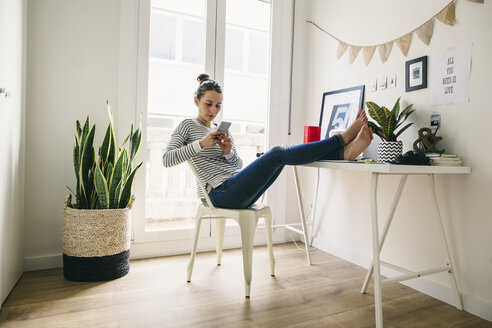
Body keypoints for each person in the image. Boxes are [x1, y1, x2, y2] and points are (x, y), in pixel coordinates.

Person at [163, 73, 373, 209]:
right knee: (276, 153)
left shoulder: (220, 131)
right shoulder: (187, 126)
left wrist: (227, 150)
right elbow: (167, 159)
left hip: (235, 188)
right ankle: (342, 140)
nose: (213, 111)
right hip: (218, 195)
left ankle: (342, 153)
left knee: (277, 157)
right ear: (196, 101)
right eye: (208, 104)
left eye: (218, 106)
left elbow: (237, 166)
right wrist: (201, 144)